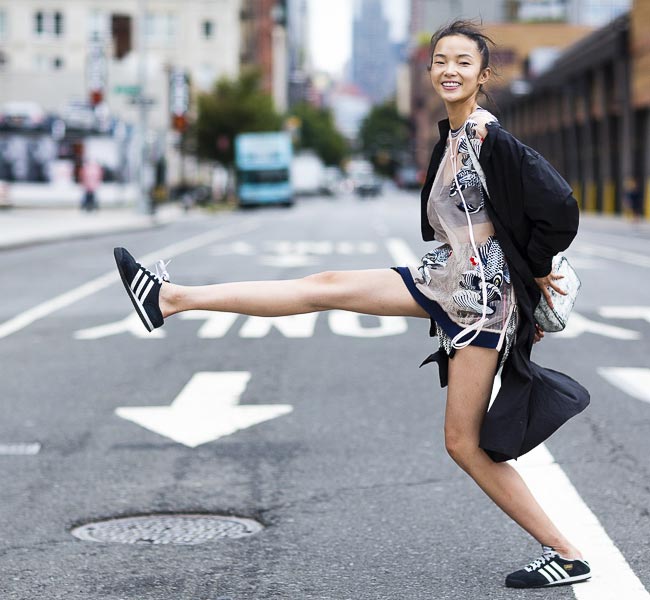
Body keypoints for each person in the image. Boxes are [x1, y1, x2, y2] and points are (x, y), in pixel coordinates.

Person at [113, 20, 590, 589]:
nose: (449, 70)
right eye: (440, 60)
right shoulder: (454, 137)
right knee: (326, 284)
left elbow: (560, 206)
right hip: (445, 280)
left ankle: (564, 552)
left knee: (463, 443)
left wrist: (533, 271)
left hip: (481, 303)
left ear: (484, 75)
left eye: (463, 62)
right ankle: (168, 298)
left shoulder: (490, 139)